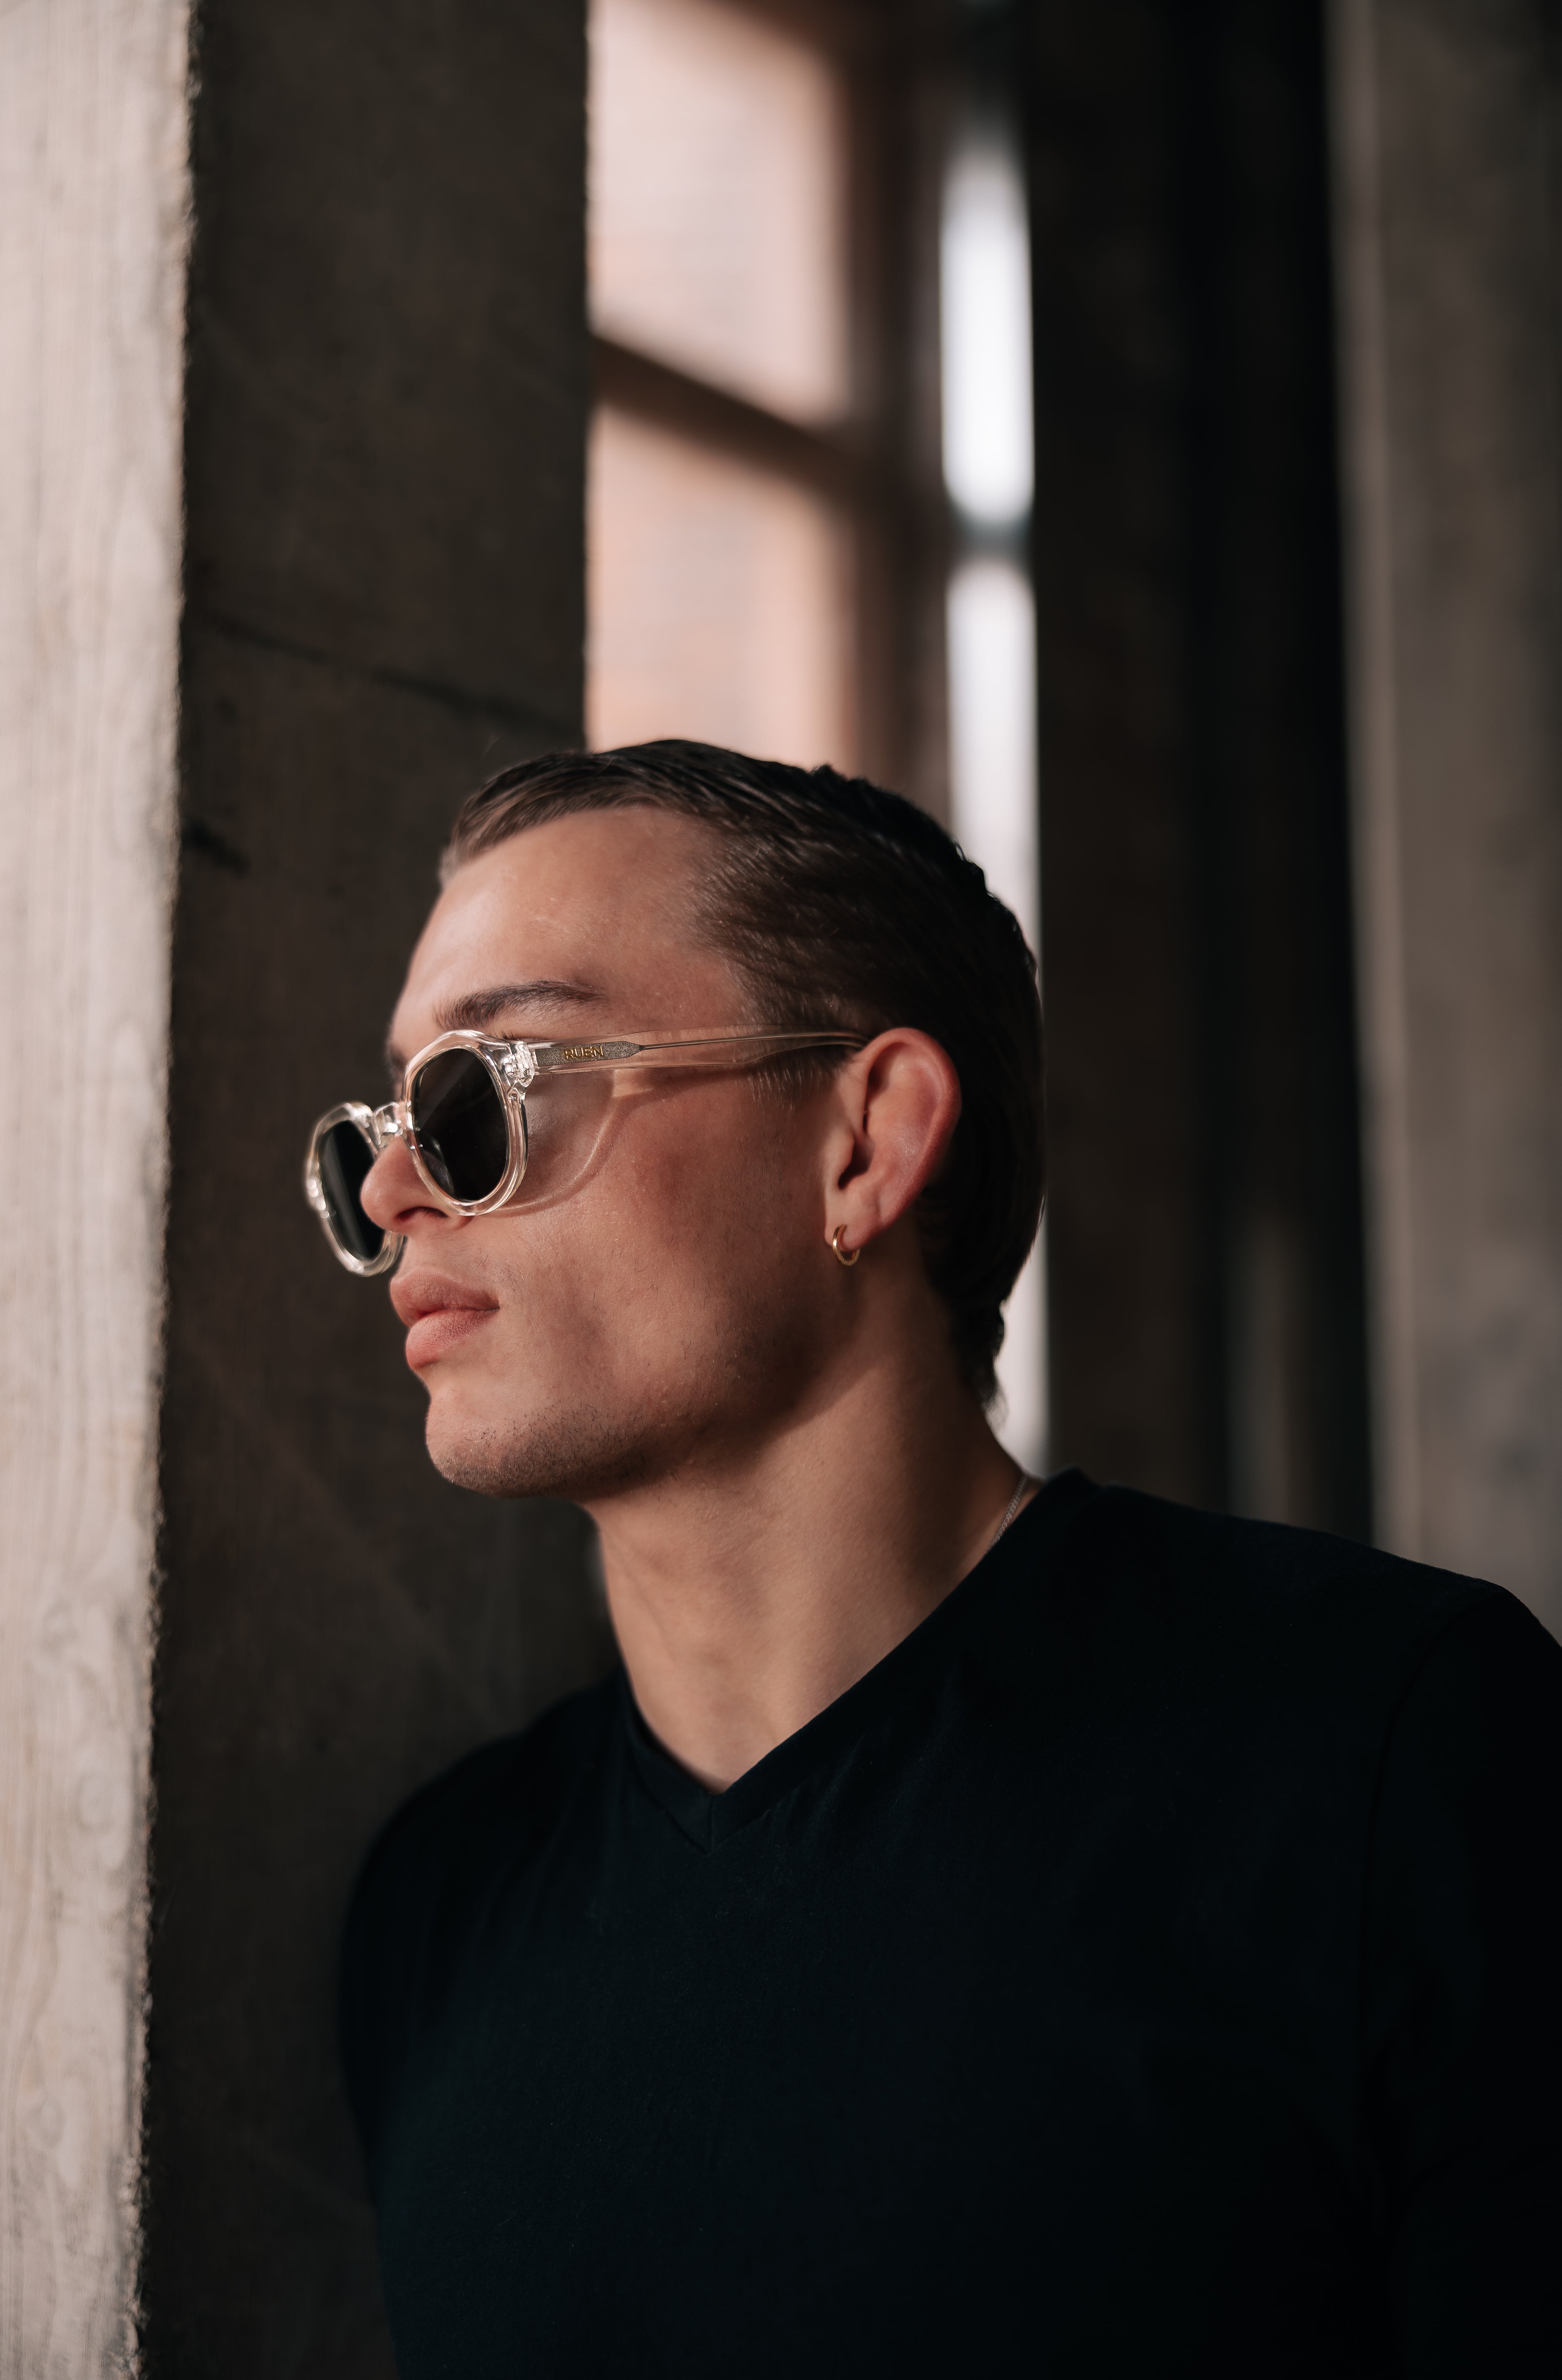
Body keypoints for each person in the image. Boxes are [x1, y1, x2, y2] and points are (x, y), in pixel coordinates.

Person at [316, 740, 1562, 2378]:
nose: (395, 1190)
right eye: (385, 1124)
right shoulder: (438, 1909)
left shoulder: (1393, 1759)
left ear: (867, 1141)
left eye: (487, 1091)